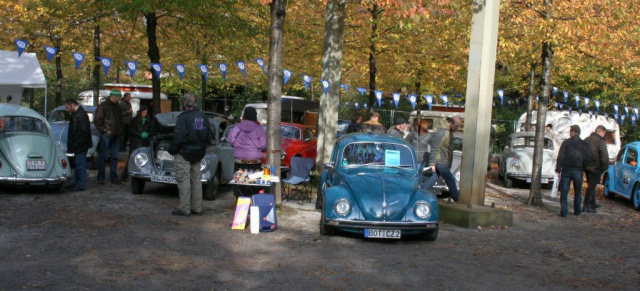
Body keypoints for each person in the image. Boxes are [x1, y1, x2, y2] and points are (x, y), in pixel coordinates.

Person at [168, 93, 211, 217]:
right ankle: (197, 208)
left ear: (185, 103)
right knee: (196, 180)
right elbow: (209, 137)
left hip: (184, 153)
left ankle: (185, 209)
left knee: (184, 180)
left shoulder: (183, 118)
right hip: (198, 153)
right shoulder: (203, 117)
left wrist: (171, 150)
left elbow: (178, 138)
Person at [556, 125, 591, 217]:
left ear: (572, 132)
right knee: (578, 191)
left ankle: (564, 212)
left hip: (566, 169)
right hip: (578, 170)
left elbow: (561, 156)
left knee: (564, 192)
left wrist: (558, 169)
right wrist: (586, 169)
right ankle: (577, 210)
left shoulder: (566, 143)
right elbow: (587, 158)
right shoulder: (584, 144)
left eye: (570, 131)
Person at [424, 116, 462, 202]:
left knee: (431, 181)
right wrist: (432, 164)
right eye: (456, 126)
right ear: (451, 123)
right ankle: (458, 200)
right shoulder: (442, 131)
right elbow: (434, 147)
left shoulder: (449, 131)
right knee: (451, 180)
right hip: (440, 161)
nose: (457, 128)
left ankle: (420, 195)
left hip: (442, 161)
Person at [94, 89, 124, 185]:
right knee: (103, 157)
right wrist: (104, 131)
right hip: (107, 135)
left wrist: (119, 132)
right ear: (114, 96)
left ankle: (113, 177)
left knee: (114, 157)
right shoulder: (103, 106)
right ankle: (101, 177)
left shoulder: (118, 107)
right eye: (119, 97)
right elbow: (98, 121)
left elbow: (120, 121)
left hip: (115, 135)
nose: (119, 99)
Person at [65, 99, 92, 191]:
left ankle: (80, 184)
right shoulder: (79, 114)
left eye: (67, 107)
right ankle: (77, 182)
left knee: (80, 164)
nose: (67, 110)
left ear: (72, 105)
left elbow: (83, 131)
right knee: (78, 164)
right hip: (80, 144)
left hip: (80, 144)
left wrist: (77, 143)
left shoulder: (80, 115)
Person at [120, 105, 152, 182]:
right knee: (131, 159)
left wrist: (148, 134)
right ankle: (124, 176)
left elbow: (151, 130)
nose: (145, 114)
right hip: (135, 143)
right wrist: (139, 134)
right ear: (140, 112)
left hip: (144, 142)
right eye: (144, 112)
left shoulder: (148, 121)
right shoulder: (134, 120)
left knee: (143, 160)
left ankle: (141, 176)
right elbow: (130, 130)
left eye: (146, 112)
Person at [583, 125, 609, 213]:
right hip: (596, 167)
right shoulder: (600, 142)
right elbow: (604, 157)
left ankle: (593, 203)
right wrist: (604, 168)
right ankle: (586, 205)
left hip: (586, 167)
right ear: (602, 132)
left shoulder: (586, 139)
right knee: (591, 187)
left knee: (591, 186)